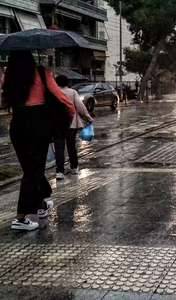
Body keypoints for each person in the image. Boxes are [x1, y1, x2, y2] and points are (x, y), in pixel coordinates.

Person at [2, 50, 74, 231]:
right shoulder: (42, 73)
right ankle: (21, 217)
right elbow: (64, 101)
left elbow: (7, 102)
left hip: (17, 126)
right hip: (37, 126)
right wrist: (68, 118)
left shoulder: (7, 77)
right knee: (33, 171)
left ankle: (40, 204)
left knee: (30, 168)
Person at [54, 75, 93, 180]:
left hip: (57, 125)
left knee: (59, 148)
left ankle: (59, 171)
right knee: (71, 146)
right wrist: (88, 118)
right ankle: (74, 167)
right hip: (71, 124)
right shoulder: (72, 92)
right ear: (67, 82)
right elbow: (80, 107)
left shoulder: (53, 92)